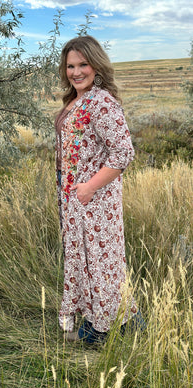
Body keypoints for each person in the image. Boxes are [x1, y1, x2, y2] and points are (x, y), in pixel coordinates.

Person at [55, 36, 145, 344]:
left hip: (96, 201)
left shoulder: (102, 101)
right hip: (77, 201)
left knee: (102, 262)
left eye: (83, 64)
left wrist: (89, 188)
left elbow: (123, 152)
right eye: (70, 66)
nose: (76, 72)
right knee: (90, 262)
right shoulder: (79, 100)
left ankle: (101, 331)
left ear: (97, 65)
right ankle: (124, 321)